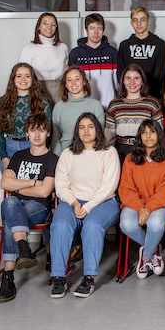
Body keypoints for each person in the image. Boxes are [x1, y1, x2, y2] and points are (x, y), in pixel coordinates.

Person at [50, 112, 121, 298]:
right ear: (77, 131)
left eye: (90, 126)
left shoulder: (109, 152)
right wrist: (74, 202)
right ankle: (59, 277)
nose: (86, 131)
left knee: (92, 225)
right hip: (72, 200)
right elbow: (60, 185)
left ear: (97, 129)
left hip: (103, 202)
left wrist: (88, 206)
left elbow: (109, 186)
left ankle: (89, 277)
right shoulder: (68, 153)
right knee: (60, 225)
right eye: (82, 127)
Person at [0, 113, 57, 303]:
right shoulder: (18, 156)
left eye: (41, 130)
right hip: (17, 206)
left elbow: (44, 192)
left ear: (48, 133)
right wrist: (34, 182)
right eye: (33, 130)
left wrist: (18, 186)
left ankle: (8, 278)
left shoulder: (52, 159)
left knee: (9, 209)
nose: (37, 135)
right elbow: (4, 183)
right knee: (10, 204)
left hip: (39, 208)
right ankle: (23, 248)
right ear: (27, 133)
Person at [118, 119, 165, 280]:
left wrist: (148, 209)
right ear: (139, 136)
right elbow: (126, 189)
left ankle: (146, 256)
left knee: (156, 222)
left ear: (159, 135)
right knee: (127, 224)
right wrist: (140, 208)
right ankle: (154, 249)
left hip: (161, 206)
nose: (148, 136)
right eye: (144, 132)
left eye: (152, 131)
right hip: (134, 204)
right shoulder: (130, 159)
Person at [0, 62, 53, 173]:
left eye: (27, 76)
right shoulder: (3, 101)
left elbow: (48, 131)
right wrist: (4, 158)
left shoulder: (42, 102)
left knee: (32, 183)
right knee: (11, 183)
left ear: (32, 79)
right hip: (9, 148)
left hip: (33, 146)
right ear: (13, 79)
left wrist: (40, 153)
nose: (23, 79)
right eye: (19, 76)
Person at [106, 64, 164, 165]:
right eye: (128, 78)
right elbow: (109, 135)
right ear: (123, 81)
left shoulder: (152, 103)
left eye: (136, 78)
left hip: (145, 149)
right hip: (120, 151)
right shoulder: (114, 104)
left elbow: (159, 132)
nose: (132, 82)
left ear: (142, 81)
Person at [68, 13, 119, 109]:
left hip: (109, 105)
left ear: (103, 30)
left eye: (99, 28)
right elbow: (70, 81)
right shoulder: (75, 53)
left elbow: (117, 81)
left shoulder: (112, 52)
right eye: (92, 28)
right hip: (84, 106)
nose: (96, 32)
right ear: (86, 30)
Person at [52, 65, 105, 155]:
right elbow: (55, 137)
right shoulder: (59, 107)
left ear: (84, 82)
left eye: (77, 79)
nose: (73, 83)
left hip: (90, 154)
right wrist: (58, 158)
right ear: (65, 85)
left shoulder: (96, 105)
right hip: (66, 154)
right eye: (69, 80)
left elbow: (100, 135)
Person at [117, 6, 165, 100]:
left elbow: (159, 75)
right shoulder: (124, 45)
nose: (139, 23)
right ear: (131, 23)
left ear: (148, 22)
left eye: (142, 20)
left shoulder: (159, 44)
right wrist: (132, 89)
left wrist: (144, 91)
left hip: (152, 96)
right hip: (129, 96)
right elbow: (121, 74)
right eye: (135, 20)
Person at [18, 12, 68, 105]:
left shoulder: (63, 47)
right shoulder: (28, 48)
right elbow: (22, 74)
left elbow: (66, 72)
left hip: (60, 92)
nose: (49, 27)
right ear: (39, 26)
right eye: (45, 23)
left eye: (53, 24)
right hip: (37, 91)